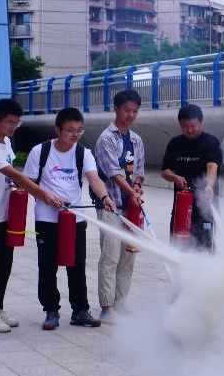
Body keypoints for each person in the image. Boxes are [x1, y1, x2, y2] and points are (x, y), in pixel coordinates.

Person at [0, 98, 63, 333]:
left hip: (5, 214)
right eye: (10, 122)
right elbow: (16, 175)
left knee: (3, 264)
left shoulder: (5, 143)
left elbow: (13, 178)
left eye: (17, 123)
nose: (13, 127)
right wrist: (43, 194)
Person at [23, 107, 115, 331]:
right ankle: (51, 310)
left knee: (77, 266)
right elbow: (27, 183)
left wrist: (105, 196)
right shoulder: (40, 151)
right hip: (47, 218)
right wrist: (46, 196)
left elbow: (94, 179)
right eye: (70, 130)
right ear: (58, 130)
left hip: (75, 218)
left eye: (79, 130)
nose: (75, 134)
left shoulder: (83, 153)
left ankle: (80, 310)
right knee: (47, 266)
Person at [94, 90, 145, 324]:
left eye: (134, 111)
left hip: (131, 207)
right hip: (110, 205)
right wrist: (132, 191)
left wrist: (137, 188)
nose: (130, 115)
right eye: (126, 110)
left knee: (128, 256)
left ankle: (120, 304)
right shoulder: (106, 138)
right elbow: (113, 173)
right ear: (115, 109)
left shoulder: (136, 140)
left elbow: (139, 172)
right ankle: (106, 308)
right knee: (111, 256)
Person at [161, 104, 222, 250]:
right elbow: (165, 171)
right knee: (179, 246)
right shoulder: (175, 144)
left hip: (205, 207)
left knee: (205, 248)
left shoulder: (211, 142)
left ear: (201, 122)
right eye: (185, 126)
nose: (189, 130)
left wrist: (209, 185)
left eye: (193, 126)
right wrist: (175, 177)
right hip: (181, 207)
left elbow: (212, 166)